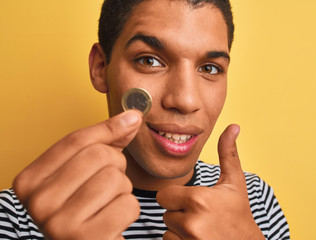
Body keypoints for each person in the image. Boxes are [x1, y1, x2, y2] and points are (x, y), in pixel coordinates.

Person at [0, 0, 290, 239]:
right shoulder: (16, 217)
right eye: (149, 60)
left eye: (210, 68)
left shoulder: (255, 201)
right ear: (101, 68)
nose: (186, 100)